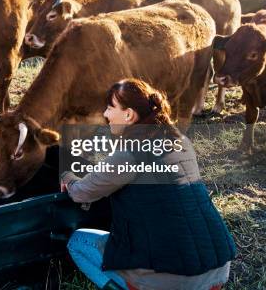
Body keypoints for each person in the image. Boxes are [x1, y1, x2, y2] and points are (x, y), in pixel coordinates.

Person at [61, 78, 236, 290]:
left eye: (109, 108)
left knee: (79, 242)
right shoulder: (180, 141)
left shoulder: (128, 155)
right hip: (216, 270)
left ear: (128, 114)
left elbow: (81, 193)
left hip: (173, 280)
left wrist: (67, 177)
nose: (106, 115)